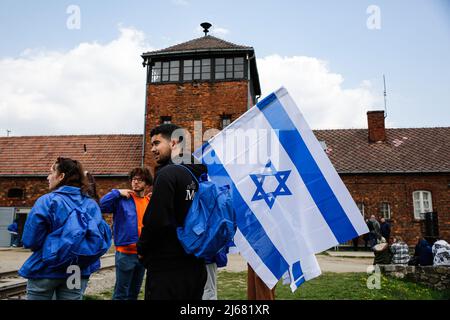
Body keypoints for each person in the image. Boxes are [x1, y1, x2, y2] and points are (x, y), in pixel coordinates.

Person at [18, 157, 106, 300]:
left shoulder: (47, 201)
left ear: (61, 176)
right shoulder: (91, 204)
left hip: (45, 269)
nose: (48, 177)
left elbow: (31, 240)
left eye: (51, 172)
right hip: (76, 270)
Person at [137, 124, 207, 300]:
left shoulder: (168, 173)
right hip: (196, 264)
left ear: (174, 143)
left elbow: (155, 221)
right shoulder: (199, 175)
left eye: (156, 143)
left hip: (167, 267)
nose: (152, 149)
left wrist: (142, 248)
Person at [100, 167, 152, 300]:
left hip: (142, 254)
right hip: (125, 253)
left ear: (147, 183)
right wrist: (116, 192)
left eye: (140, 180)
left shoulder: (148, 201)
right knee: (121, 293)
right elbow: (101, 205)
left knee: (134, 293)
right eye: (133, 179)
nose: (135, 182)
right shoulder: (123, 199)